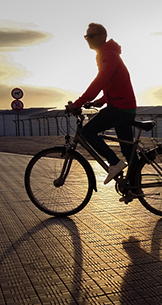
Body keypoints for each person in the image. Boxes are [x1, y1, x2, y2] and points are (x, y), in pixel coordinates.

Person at [68, 23, 137, 184]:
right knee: (129, 151)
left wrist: (78, 102)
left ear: (102, 36)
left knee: (87, 132)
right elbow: (114, 84)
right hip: (124, 106)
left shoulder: (108, 54)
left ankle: (114, 163)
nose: (88, 40)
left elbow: (101, 80)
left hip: (120, 107)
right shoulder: (108, 54)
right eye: (86, 36)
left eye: (91, 36)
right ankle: (135, 187)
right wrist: (100, 101)